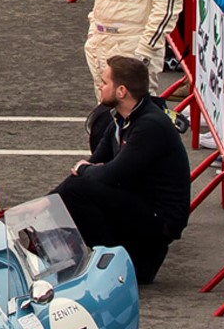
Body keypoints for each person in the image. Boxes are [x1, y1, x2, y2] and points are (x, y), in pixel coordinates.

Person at [54, 55, 189, 282]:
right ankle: (36, 231)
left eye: (105, 82)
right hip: (139, 206)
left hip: (158, 221)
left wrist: (85, 170)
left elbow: (109, 174)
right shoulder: (120, 119)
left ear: (121, 91)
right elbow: (95, 163)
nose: (100, 85)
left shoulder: (149, 125)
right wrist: (43, 207)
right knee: (74, 189)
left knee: (77, 189)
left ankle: (117, 265)